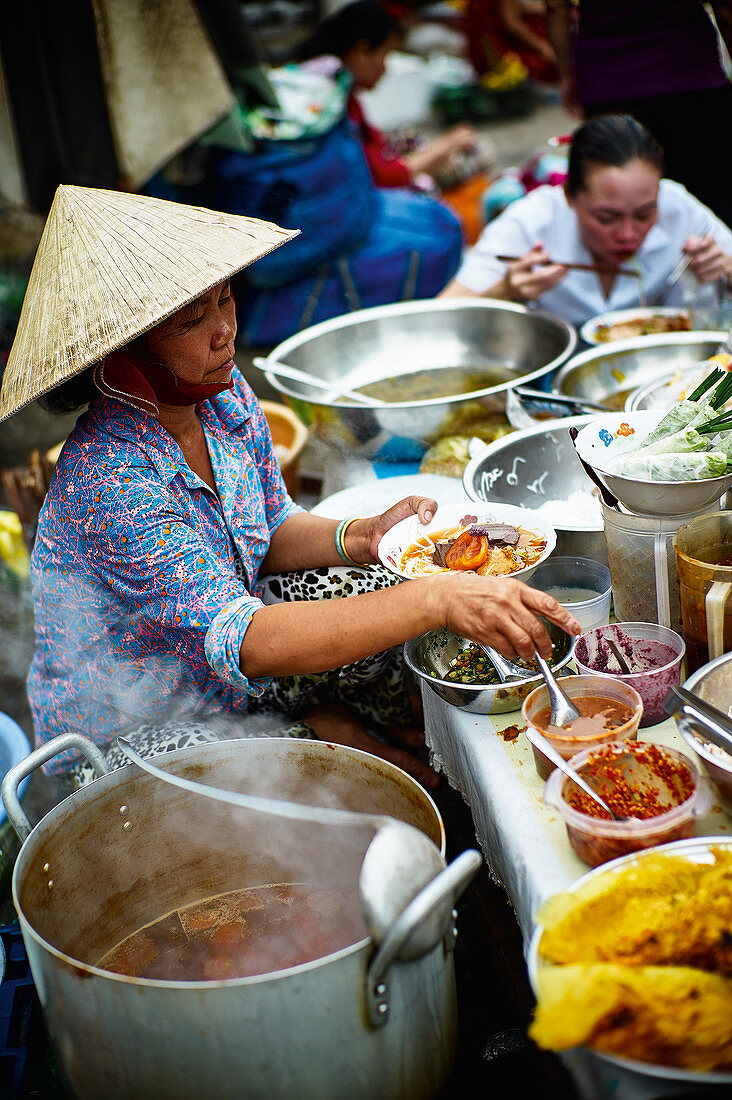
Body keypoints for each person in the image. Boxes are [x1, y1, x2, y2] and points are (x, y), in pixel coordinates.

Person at [0, 185, 579, 788]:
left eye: (225, 300)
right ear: (117, 357)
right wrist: (433, 599)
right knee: (297, 765)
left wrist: (362, 536)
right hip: (138, 732)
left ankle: (390, 732)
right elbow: (244, 640)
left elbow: (269, 525)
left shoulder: (219, 393)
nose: (225, 331)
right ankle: (334, 737)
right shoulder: (110, 479)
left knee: (383, 573)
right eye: (192, 321)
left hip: (230, 677)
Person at [440, 114, 732, 329]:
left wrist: (726, 268)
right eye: (607, 218)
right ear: (569, 195)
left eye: (644, 215)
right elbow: (442, 314)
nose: (629, 234)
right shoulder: (531, 223)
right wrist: (504, 292)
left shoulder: (677, 208)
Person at [544, 0, 732, 229]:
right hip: (687, 71)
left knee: (621, 204)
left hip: (609, 78)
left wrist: (567, 73)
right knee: (711, 199)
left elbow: (556, 5)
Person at [296, 0, 478, 190]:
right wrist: (446, 146)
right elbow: (382, 175)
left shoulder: (336, 89)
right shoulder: (333, 100)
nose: (385, 68)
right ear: (362, 52)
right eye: (385, 55)